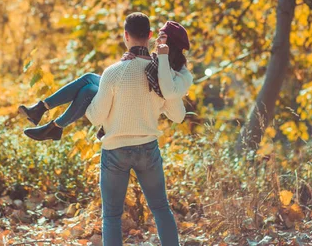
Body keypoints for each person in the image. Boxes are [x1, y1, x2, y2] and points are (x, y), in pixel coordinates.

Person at [85, 12, 187, 245]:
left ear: (125, 36)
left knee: (111, 216)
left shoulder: (112, 73)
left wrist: (89, 101)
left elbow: (95, 117)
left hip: (115, 151)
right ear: (150, 36)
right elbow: (178, 116)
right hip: (147, 149)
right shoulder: (160, 73)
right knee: (161, 209)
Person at [18, 19, 192, 141]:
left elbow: (168, 92)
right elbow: (143, 73)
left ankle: (53, 125)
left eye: (162, 38)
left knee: (87, 90)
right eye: (158, 37)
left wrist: (160, 57)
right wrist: (132, 58)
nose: (156, 41)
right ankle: (43, 111)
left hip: (137, 113)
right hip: (128, 99)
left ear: (171, 44)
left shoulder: (180, 74)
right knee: (88, 78)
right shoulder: (157, 59)